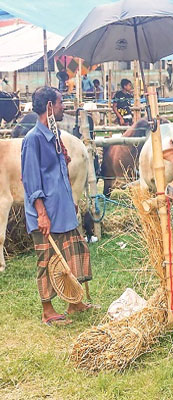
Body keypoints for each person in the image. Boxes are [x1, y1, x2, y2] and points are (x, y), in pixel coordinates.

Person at [21, 87, 96, 326]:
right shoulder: (33, 139)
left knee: (75, 252)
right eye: (61, 103)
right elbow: (32, 179)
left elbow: (55, 172)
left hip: (62, 209)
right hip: (46, 214)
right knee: (47, 261)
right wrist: (41, 214)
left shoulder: (55, 136)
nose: (65, 107)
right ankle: (47, 310)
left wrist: (63, 161)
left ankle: (74, 302)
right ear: (50, 107)